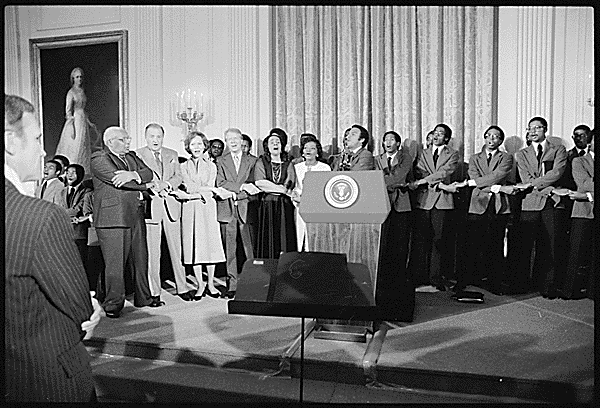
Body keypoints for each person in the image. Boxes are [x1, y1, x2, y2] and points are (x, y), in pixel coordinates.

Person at [5, 94, 101, 402]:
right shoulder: (39, 217)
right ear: (10, 141)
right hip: (42, 379)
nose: (44, 150)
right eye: (35, 138)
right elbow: (80, 310)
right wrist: (92, 309)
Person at [91, 126, 157, 318]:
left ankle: (144, 297)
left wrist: (134, 174)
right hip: (112, 218)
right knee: (115, 264)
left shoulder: (132, 157)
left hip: (135, 212)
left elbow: (149, 171)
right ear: (110, 142)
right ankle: (113, 304)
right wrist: (144, 184)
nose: (128, 142)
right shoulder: (99, 158)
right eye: (123, 139)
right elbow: (118, 181)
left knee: (140, 258)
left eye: (128, 138)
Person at [136, 123, 195, 303]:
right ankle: (154, 292)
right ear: (146, 137)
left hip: (171, 206)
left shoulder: (172, 154)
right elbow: (138, 178)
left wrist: (167, 185)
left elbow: (179, 177)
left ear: (163, 137)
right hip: (152, 208)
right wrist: (154, 187)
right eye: (152, 136)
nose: (155, 140)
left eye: (158, 137)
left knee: (177, 251)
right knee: (153, 254)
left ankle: (182, 287)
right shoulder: (137, 155)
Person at [510, 117, 567, 298]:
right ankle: (521, 285)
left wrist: (537, 184)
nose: (533, 131)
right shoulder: (522, 154)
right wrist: (547, 188)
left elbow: (557, 172)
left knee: (549, 245)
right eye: (530, 128)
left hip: (551, 203)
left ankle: (547, 286)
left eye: (537, 128)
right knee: (525, 246)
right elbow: (525, 179)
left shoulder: (558, 150)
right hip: (530, 202)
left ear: (545, 129)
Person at [453, 126, 514, 294]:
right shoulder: (474, 158)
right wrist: (497, 188)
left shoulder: (507, 157)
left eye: (495, 137)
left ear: (500, 141)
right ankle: (465, 280)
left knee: (495, 245)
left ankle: (495, 283)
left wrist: (479, 184)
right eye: (488, 136)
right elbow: (474, 176)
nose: (491, 139)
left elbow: (497, 176)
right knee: (470, 245)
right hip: (477, 204)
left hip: (498, 206)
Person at [176, 131, 226, 300]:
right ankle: (200, 284)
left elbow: (211, 187)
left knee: (209, 246)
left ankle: (211, 283)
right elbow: (189, 187)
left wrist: (198, 193)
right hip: (190, 209)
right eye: (192, 144)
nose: (196, 147)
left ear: (204, 146)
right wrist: (204, 191)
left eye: (199, 144)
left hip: (208, 208)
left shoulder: (212, 166)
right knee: (194, 246)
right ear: (188, 147)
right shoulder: (183, 166)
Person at [408, 123, 459, 291]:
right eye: (435, 133)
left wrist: (424, 181)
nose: (436, 136)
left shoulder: (453, 154)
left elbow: (444, 173)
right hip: (424, 200)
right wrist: (434, 183)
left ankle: (435, 277)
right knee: (421, 240)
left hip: (442, 202)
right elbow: (420, 170)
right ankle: (419, 276)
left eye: (440, 133)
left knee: (438, 241)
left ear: (446, 138)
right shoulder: (424, 153)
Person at [215, 128, 260, 299]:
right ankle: (232, 284)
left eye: (235, 138)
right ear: (226, 142)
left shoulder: (253, 161)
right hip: (227, 210)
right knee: (230, 250)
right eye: (229, 139)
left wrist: (236, 193)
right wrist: (241, 188)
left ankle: (253, 284)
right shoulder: (220, 161)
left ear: (241, 140)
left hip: (247, 208)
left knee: (250, 250)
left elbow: (255, 185)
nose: (233, 142)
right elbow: (220, 182)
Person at [374, 130, 414, 306]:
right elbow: (374, 179)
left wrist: (391, 181)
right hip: (382, 204)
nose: (388, 142)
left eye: (391, 140)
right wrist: (395, 183)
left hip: (402, 204)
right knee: (384, 242)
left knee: (400, 242)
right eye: (385, 139)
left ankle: (399, 278)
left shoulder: (406, 158)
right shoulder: (376, 159)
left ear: (398, 144)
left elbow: (400, 176)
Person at [560, 131, 594, 300]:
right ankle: (569, 290)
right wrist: (587, 194)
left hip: (588, 202)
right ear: (591, 142)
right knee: (576, 253)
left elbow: (588, 188)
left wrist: (589, 195)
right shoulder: (579, 161)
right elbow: (583, 183)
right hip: (583, 212)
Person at [254, 131, 298, 259]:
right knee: (268, 237)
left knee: (285, 236)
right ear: (267, 146)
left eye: (278, 142)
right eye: (271, 142)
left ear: (282, 145)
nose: (275, 144)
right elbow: (260, 182)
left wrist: (279, 189)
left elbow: (289, 183)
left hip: (284, 205)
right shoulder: (261, 162)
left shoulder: (288, 163)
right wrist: (280, 189)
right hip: (267, 205)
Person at [55, 67, 100, 176]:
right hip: (75, 121)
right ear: (73, 79)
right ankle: (71, 172)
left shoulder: (82, 91)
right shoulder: (71, 92)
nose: (79, 79)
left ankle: (83, 172)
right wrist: (72, 127)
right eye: (77, 77)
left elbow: (83, 110)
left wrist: (89, 122)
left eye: (80, 77)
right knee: (75, 146)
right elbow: (68, 111)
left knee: (84, 146)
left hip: (83, 120)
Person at [291, 137, 331, 251]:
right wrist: (297, 199)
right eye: (305, 148)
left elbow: (325, 190)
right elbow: (295, 187)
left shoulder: (325, 168)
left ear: (317, 152)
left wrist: (307, 200)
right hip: (299, 206)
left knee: (314, 238)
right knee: (299, 236)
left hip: (317, 207)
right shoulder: (296, 168)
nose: (308, 151)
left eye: (312, 148)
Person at [56, 164, 93, 282]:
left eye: (73, 172)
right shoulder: (61, 192)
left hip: (80, 233)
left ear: (80, 175)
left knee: (80, 264)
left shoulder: (86, 191)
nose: (69, 175)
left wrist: (58, 214)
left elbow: (78, 209)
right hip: (64, 233)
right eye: (68, 172)